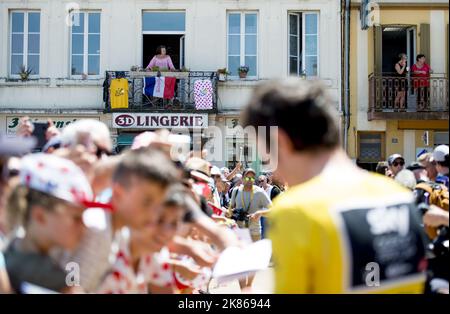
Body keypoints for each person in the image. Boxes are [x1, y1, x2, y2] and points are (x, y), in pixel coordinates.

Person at [240, 78, 427, 293]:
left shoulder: (296, 210)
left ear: (281, 141)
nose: (274, 173)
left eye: (267, 158)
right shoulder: (398, 196)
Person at [4, 154, 97, 293]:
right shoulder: (60, 284)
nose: (84, 226)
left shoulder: (9, 252)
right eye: (76, 218)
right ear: (40, 216)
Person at [227, 168, 271, 291]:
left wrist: (260, 213)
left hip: (254, 231)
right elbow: (231, 210)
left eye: (252, 178)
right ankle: (243, 290)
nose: (249, 180)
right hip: (239, 231)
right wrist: (228, 213)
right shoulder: (236, 191)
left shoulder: (259, 192)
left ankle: (249, 285)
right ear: (242, 178)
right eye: (247, 177)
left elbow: (272, 210)